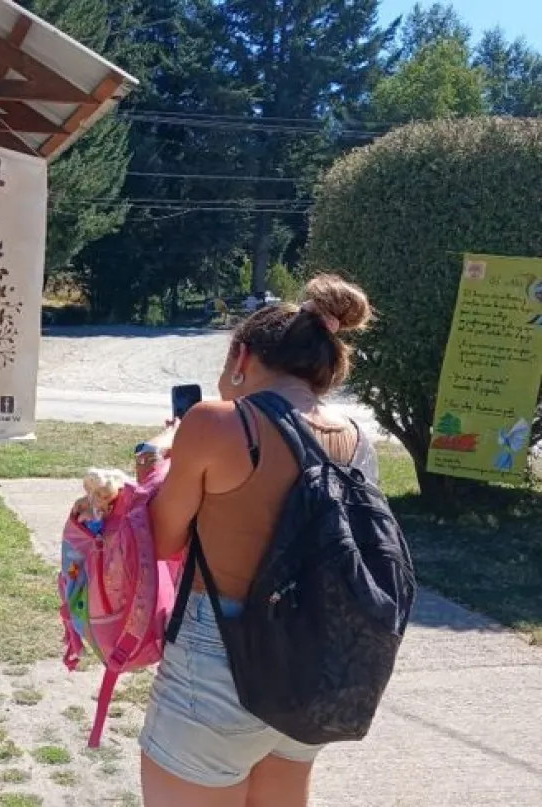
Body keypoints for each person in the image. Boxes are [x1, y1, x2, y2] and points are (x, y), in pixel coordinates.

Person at [136, 274, 378, 807]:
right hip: (310, 660)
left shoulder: (217, 423)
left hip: (218, 656)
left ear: (242, 356)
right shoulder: (357, 439)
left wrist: (157, 460)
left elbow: (162, 541)